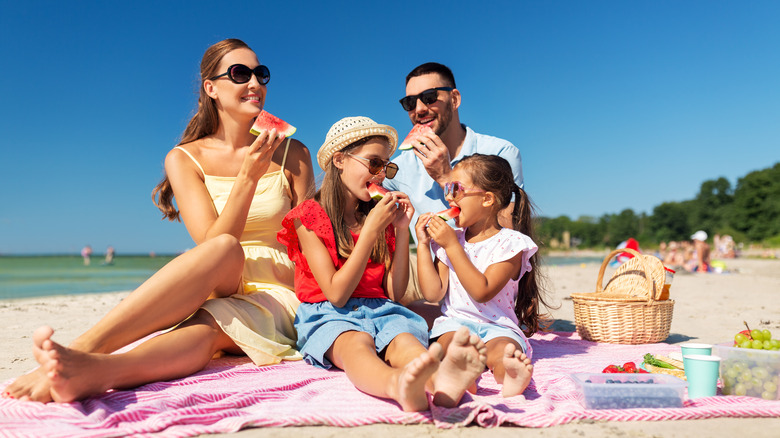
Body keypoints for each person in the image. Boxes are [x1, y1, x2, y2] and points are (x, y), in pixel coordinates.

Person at [2, 38, 314, 403]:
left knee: (210, 328)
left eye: (261, 74)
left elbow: (311, 238)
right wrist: (247, 179)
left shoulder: (295, 153)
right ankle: (85, 346)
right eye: (239, 73)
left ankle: (98, 371)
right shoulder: (183, 159)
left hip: (279, 286)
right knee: (226, 246)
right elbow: (212, 243)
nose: (255, 83)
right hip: (218, 272)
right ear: (211, 88)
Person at [277, 116, 487, 411]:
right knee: (355, 347)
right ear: (339, 160)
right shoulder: (308, 216)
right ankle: (396, 385)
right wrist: (371, 231)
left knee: (406, 342)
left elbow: (395, 292)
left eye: (386, 167)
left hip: (381, 309)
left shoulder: (379, 216)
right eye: (374, 163)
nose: (380, 175)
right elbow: (336, 294)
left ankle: (445, 382)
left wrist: (402, 230)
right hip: (329, 313)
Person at [384, 62, 524, 308]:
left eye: (429, 97)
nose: (419, 109)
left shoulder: (500, 152)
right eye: (409, 103)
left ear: (455, 99)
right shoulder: (398, 169)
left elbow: (507, 231)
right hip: (430, 280)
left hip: (487, 288)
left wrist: (446, 177)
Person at [414, 154, 547, 398]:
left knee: (503, 352)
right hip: (455, 324)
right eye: (447, 189)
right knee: (453, 349)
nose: (449, 197)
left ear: (487, 199)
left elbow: (482, 291)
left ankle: (510, 376)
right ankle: (463, 379)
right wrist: (423, 246)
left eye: (456, 189)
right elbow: (433, 293)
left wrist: (452, 247)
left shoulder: (512, 244)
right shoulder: (450, 240)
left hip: (498, 325)